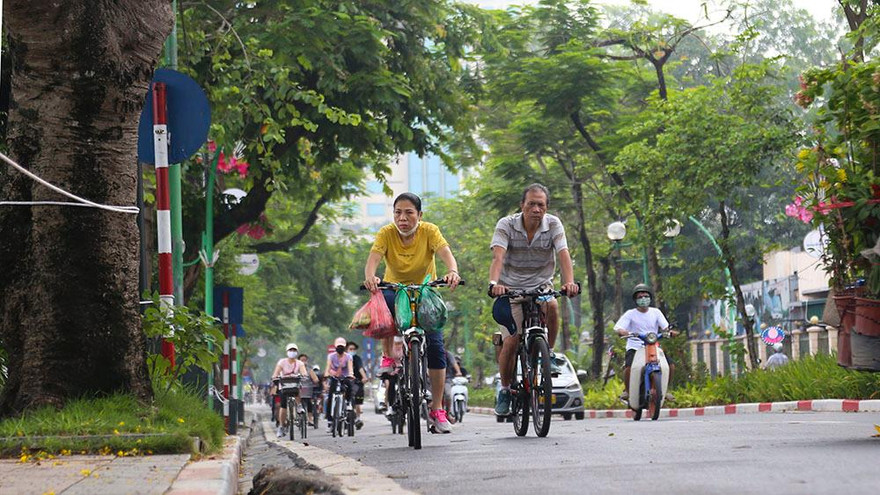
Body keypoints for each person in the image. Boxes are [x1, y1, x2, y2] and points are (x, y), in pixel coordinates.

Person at [363, 192, 462, 434]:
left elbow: (446, 254)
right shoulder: (386, 233)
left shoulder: (430, 231)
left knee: (437, 347)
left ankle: (437, 409)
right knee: (384, 305)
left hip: (425, 291)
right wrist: (370, 277)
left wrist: (452, 271)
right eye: (398, 212)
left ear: (419, 215)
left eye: (409, 212)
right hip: (395, 289)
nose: (402, 218)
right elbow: (373, 260)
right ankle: (388, 356)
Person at [489, 183, 579, 416]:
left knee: (552, 304)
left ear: (546, 207)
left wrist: (569, 282)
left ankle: (547, 353)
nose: (536, 209)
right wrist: (494, 284)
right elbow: (498, 257)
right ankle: (506, 389)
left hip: (541, 286)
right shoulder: (506, 225)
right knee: (511, 339)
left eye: (541, 205)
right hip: (510, 289)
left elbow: (563, 254)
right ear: (522, 206)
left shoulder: (554, 224)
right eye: (531, 204)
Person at [614, 284, 676, 401]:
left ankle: (666, 389)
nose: (643, 299)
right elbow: (619, 328)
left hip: (653, 346)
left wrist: (670, 332)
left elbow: (665, 327)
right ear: (635, 300)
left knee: (670, 365)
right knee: (628, 367)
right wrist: (624, 332)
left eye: (646, 296)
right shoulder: (630, 314)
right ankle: (627, 391)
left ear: (650, 298)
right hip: (635, 346)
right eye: (640, 297)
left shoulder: (656, 312)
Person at [271, 343, 318, 438]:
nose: (292, 352)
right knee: (283, 405)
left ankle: (299, 406)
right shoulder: (282, 362)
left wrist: (304, 375)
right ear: (287, 352)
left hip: (295, 384)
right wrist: (275, 377)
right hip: (284, 385)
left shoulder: (299, 363)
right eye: (290, 350)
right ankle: (281, 426)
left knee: (297, 391)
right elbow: (276, 373)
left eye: (294, 350)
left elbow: (304, 372)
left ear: (296, 352)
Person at [323, 336, 354, 433]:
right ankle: (329, 420)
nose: (340, 348)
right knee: (330, 396)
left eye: (342, 346)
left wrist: (351, 374)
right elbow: (328, 367)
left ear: (345, 347)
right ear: (335, 347)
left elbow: (350, 367)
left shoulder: (348, 356)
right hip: (334, 376)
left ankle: (348, 403)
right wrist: (327, 374)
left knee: (349, 385)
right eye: (338, 346)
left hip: (344, 376)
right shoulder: (331, 356)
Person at [347, 341, 369, 429]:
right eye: (350, 349)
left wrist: (364, 377)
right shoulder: (344, 358)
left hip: (356, 381)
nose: (352, 351)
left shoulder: (357, 358)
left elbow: (360, 368)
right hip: (346, 380)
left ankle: (358, 419)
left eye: (353, 349)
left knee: (357, 400)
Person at [297, 353, 319, 427]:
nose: (303, 362)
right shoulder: (296, 370)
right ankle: (298, 417)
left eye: (305, 360)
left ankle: (310, 418)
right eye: (302, 360)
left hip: (308, 389)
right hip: (298, 389)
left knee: (309, 402)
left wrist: (315, 380)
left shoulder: (310, 370)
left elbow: (316, 379)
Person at [443, 349, 464, 423]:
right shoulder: (428, 352)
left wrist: (458, 372)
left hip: (446, 379)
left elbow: (454, 363)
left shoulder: (447, 354)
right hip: (432, 379)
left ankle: (448, 413)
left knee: (448, 395)